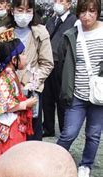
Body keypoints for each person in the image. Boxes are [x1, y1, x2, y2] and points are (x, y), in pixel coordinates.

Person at [0, 0, 54, 141]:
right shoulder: (2, 33)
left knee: (32, 134)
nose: (24, 15)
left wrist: (32, 83)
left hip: (32, 91)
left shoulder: (40, 32)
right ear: (12, 10)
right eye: (20, 10)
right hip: (9, 92)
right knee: (9, 134)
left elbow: (47, 63)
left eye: (28, 10)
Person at [56, 0, 103, 177]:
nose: (87, 16)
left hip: (98, 95)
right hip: (77, 92)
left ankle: (86, 165)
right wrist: (66, 86)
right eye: (83, 11)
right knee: (69, 132)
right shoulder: (72, 34)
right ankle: (54, 160)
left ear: (98, 12)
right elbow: (62, 61)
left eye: (92, 11)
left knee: (93, 133)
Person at [0, 33, 36, 177]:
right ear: (13, 59)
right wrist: (26, 104)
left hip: (11, 125)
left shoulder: (9, 75)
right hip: (8, 128)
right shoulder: (5, 77)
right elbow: (7, 104)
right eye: (22, 53)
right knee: (9, 160)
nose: (25, 56)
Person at [41, 0, 76, 138]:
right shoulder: (51, 20)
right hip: (48, 63)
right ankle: (48, 127)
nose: (58, 3)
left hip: (62, 64)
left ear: (69, 4)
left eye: (62, 0)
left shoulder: (74, 21)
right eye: (56, 0)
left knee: (62, 99)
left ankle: (64, 129)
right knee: (47, 98)